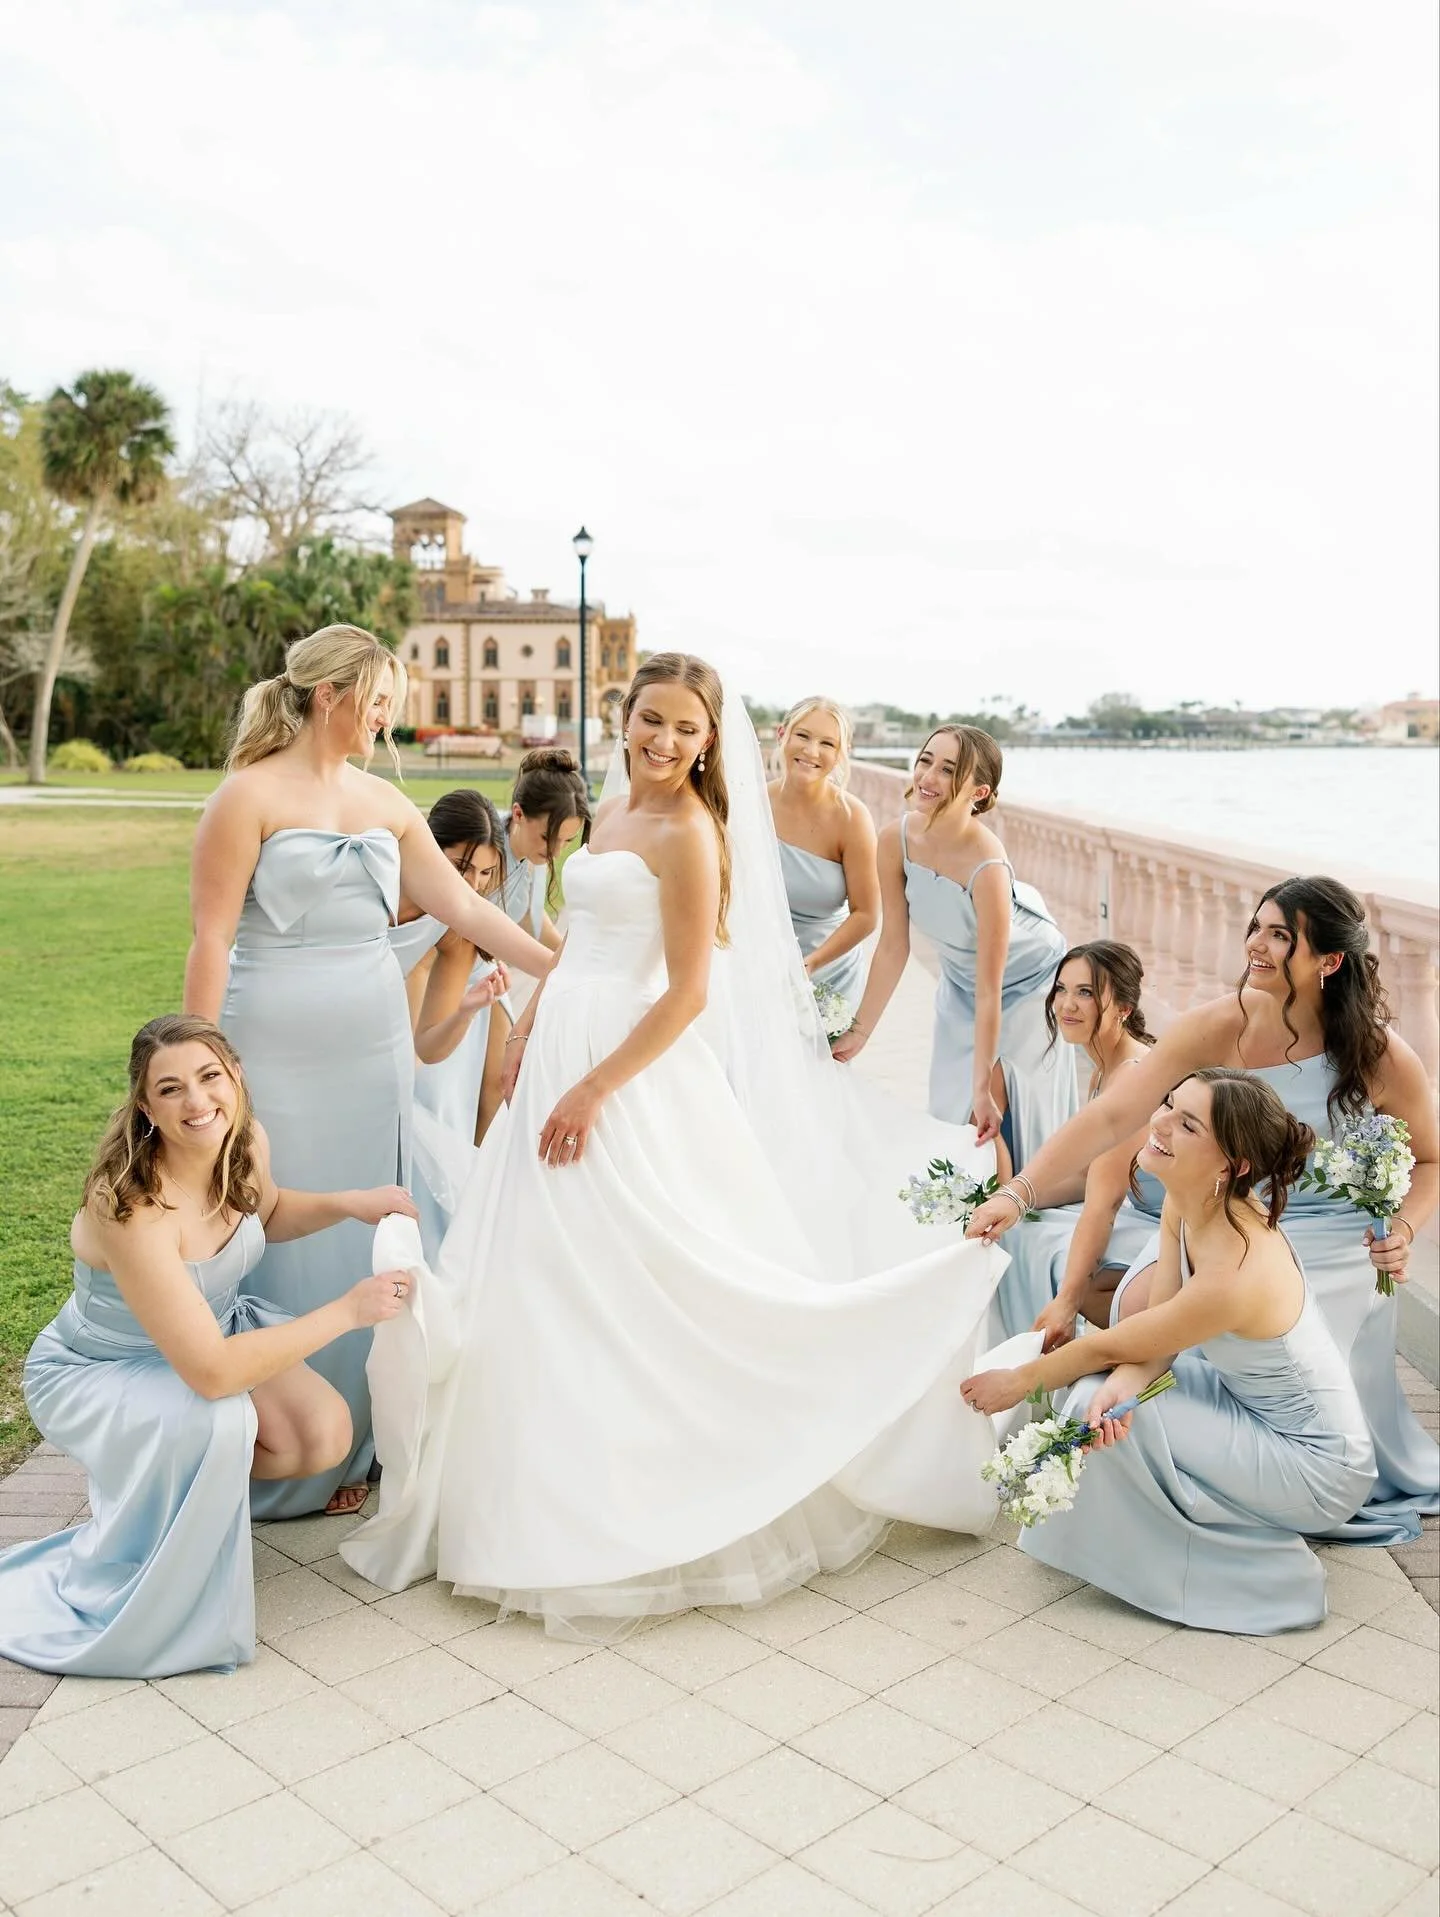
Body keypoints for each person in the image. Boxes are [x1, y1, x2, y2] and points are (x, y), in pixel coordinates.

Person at [341, 653, 1010, 1634]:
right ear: (626, 719)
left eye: (685, 729)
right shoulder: (611, 813)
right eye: (651, 720)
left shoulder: (695, 833)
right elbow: (579, 941)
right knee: (543, 1268)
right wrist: (530, 1033)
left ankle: (657, 1489)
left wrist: (593, 1091)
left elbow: (689, 991)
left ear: (708, 742)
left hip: (624, 1072)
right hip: (564, 1044)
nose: (663, 742)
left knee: (646, 1268)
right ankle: (537, 1481)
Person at [184, 625, 553, 1519]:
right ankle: (280, 1432)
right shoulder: (245, 798)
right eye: (378, 698)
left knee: (366, 1221)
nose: (387, 715)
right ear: (329, 695)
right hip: (268, 1040)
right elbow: (212, 937)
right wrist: (200, 1058)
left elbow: (465, 902)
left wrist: (560, 967)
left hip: (372, 1046)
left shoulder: (387, 804)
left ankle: (364, 1431)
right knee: (277, 1215)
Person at [968, 876, 1438, 1545]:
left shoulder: (1381, 1054)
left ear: (1329, 961)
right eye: (1258, 926)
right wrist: (1018, 1193)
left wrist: (1406, 1226)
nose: (1258, 944)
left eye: (1282, 935)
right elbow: (1111, 1114)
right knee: (1142, 1313)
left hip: (1334, 1245)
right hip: (1232, 1222)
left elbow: (1431, 1160)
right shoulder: (1215, 1026)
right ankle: (1180, 1444)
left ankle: (1281, 1466)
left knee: (1230, 1329)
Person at [0, 1017, 415, 1679]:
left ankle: (179, 1483)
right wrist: (347, 1310)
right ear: (146, 1108)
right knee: (222, 1417)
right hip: (103, 1366)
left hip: (209, 1333)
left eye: (208, 1077)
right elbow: (215, 1374)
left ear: (235, 1077)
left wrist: (351, 1202)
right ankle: (160, 1512)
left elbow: (267, 1213)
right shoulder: (131, 1206)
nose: (197, 1102)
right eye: (171, 1089)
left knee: (323, 1436)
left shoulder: (243, 1139)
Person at [962, 1070, 1376, 1634]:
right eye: (1168, 1105)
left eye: (1187, 1124)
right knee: (1095, 1401)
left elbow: (1114, 1341)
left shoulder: (1236, 1271)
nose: (1159, 1123)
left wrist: (1018, 1381)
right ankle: (1149, 1533)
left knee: (1094, 1399)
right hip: (1250, 1410)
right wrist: (1121, 1387)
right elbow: (1153, 1336)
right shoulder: (1191, 1199)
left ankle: (1229, 1564)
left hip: (1317, 1466)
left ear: (1233, 1165)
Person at [833, 726, 1076, 1173]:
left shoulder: (987, 864)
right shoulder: (895, 839)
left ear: (979, 791)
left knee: (984, 1109)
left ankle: (1009, 1214)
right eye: (925, 760)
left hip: (1029, 983)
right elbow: (892, 946)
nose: (928, 776)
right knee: (951, 1114)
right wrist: (860, 1031)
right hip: (962, 983)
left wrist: (982, 1084)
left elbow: (992, 987)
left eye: (948, 770)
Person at [995, 942, 1160, 1341]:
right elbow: (1087, 1176)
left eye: (1085, 992)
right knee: (1016, 1229)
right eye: (1062, 989)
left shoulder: (1132, 1075)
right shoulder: (1103, 1069)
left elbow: (1103, 1202)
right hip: (1129, 1209)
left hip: (1158, 1222)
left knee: (1051, 1252)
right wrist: (1013, 1198)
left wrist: (1068, 1302)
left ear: (1123, 1007)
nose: (1066, 1004)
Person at [389, 791, 512, 1254]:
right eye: (461, 867)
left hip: (398, 1075)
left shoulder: (457, 933)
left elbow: (426, 1047)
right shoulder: (382, 888)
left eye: (485, 873)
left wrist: (465, 1009)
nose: (473, 885)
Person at [767, 697, 879, 1012]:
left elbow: (867, 915)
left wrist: (810, 964)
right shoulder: (752, 804)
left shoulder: (852, 818)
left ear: (842, 753)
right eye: (802, 735)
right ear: (782, 735)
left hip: (828, 978)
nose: (811, 751)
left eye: (827, 743)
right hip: (759, 969)